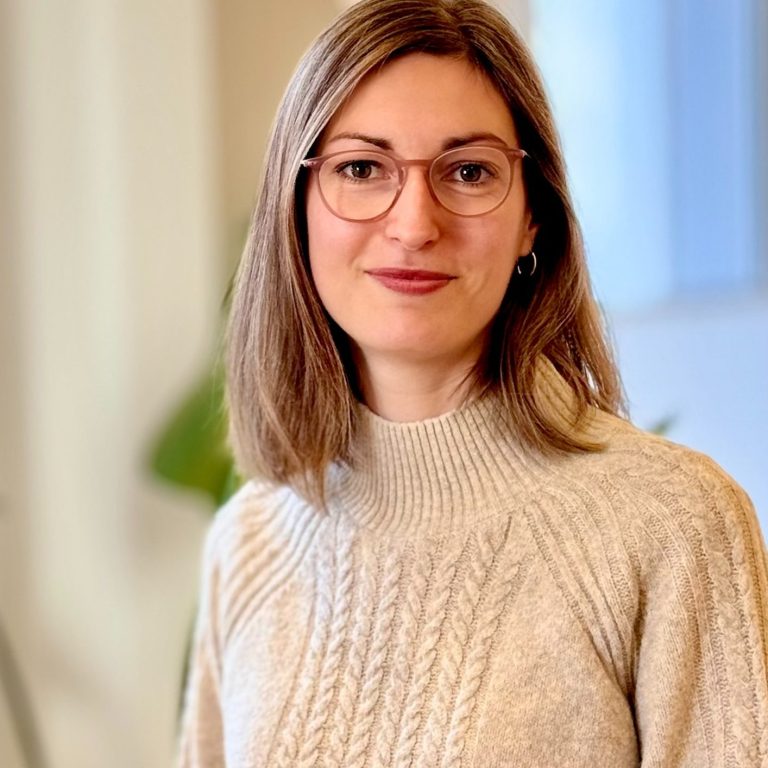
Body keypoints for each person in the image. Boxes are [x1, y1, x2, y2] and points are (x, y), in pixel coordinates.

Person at [177, 1, 768, 765]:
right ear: (297, 212)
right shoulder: (248, 545)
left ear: (532, 219)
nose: (414, 225)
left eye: (468, 171)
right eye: (361, 169)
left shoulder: (673, 526)